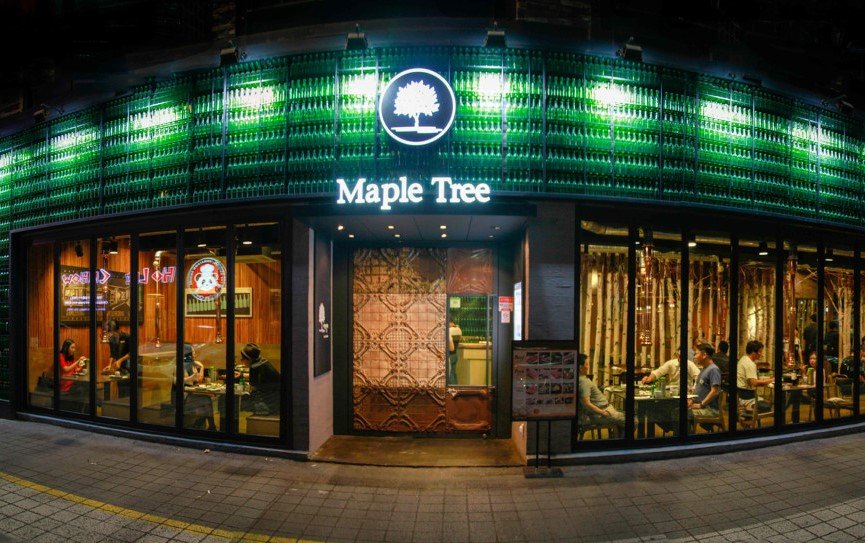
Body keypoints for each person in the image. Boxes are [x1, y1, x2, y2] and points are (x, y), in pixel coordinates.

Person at [578, 353, 624, 435]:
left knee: (623, 419)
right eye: (587, 364)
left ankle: (617, 437)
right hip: (601, 414)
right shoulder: (583, 382)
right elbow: (586, 403)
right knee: (633, 420)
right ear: (580, 368)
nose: (588, 367)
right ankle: (620, 440)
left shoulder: (582, 379)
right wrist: (602, 412)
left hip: (604, 410)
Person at [688, 342, 722, 430]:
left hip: (710, 410)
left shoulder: (714, 369)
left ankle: (686, 437)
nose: (695, 357)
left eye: (696, 354)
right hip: (701, 406)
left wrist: (701, 405)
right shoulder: (704, 369)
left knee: (681, 413)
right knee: (676, 410)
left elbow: (715, 391)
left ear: (704, 355)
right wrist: (692, 400)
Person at [240, 343, 280, 415]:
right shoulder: (262, 362)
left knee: (242, 403)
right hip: (276, 400)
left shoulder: (255, 367)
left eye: (243, 358)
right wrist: (241, 375)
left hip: (271, 405)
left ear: (249, 359)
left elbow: (253, 387)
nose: (241, 360)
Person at [737, 340, 772, 414]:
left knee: (766, 402)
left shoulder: (743, 359)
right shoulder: (750, 364)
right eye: (760, 352)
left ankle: (749, 413)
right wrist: (771, 380)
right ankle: (749, 408)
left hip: (740, 395)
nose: (761, 354)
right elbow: (754, 383)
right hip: (747, 397)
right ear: (753, 352)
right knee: (768, 406)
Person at [447, 320, 462, 384]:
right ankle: (456, 387)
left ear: (451, 322)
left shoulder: (449, 331)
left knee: (450, 374)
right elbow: (460, 339)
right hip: (455, 355)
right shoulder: (459, 329)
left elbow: (451, 348)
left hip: (450, 355)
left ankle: (452, 388)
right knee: (453, 373)